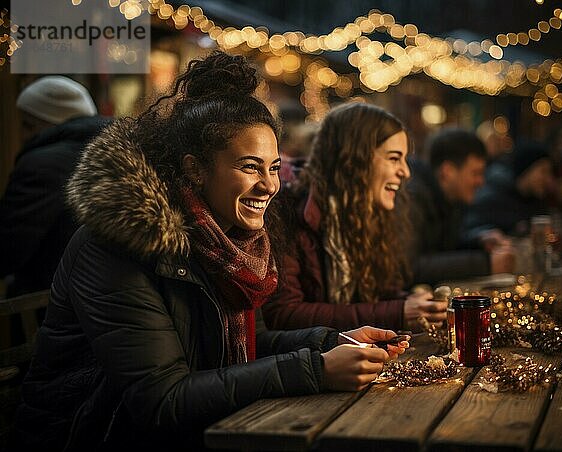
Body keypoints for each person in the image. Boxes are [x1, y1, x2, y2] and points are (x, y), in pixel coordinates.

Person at [14, 52, 407, 452]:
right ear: (195, 169)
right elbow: (162, 401)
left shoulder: (230, 239)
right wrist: (316, 370)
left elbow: (253, 345)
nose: (270, 186)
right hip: (91, 437)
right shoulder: (118, 246)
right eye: (250, 167)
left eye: (273, 168)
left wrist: (333, 342)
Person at [262, 102, 447, 333]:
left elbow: (377, 296)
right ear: (354, 160)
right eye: (393, 158)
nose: (405, 172)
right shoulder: (288, 211)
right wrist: (396, 312)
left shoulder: (369, 214)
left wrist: (414, 303)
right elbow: (285, 314)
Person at [0, 75, 110, 298]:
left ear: (45, 122)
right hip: (107, 301)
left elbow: (9, 247)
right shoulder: (120, 153)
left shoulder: (42, 165)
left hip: (51, 303)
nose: (22, 135)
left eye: (26, 124)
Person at [407, 128, 514, 285]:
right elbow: (411, 267)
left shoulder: (452, 199)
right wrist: (485, 264)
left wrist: (478, 242)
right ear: (448, 171)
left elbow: (444, 249)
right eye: (475, 173)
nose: (481, 182)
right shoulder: (412, 197)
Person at [464, 141, 554, 240]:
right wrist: (488, 236)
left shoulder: (536, 201)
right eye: (543, 171)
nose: (548, 179)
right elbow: (468, 232)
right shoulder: (492, 197)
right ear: (526, 170)